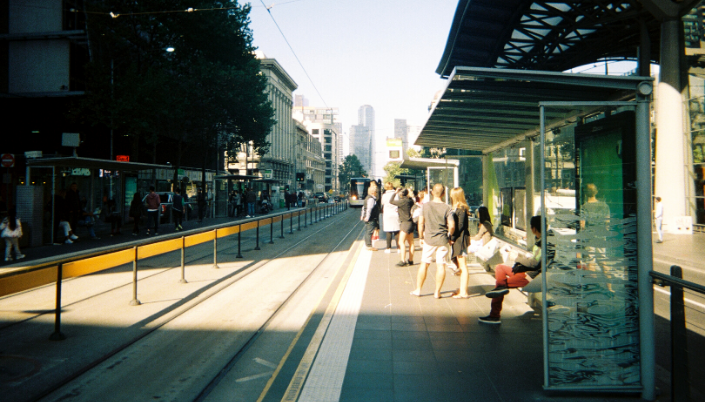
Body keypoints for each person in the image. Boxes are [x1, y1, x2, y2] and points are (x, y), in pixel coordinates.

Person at [480, 216, 549, 324]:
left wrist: (516, 258)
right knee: (500, 268)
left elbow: (534, 264)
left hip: (529, 275)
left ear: (533, 228)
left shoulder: (543, 243)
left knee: (499, 286)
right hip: (524, 270)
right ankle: (500, 291)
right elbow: (535, 259)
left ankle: (494, 315)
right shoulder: (541, 240)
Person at [410, 183, 455, 299]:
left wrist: (420, 237)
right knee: (441, 265)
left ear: (431, 192)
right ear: (444, 193)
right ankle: (437, 292)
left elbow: (420, 223)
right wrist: (450, 236)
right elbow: (452, 225)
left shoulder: (425, 206)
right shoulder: (447, 207)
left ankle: (418, 290)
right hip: (442, 240)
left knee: (424, 263)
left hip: (429, 239)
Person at [449, 187, 471, 298]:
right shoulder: (461, 208)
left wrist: (452, 237)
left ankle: (464, 292)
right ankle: (462, 290)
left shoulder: (460, 209)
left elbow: (460, 226)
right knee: (461, 265)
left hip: (460, 239)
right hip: (460, 238)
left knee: (463, 265)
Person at [390, 187, 415, 266]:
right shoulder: (410, 201)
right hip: (411, 222)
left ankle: (403, 260)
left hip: (405, 223)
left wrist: (395, 192)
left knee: (401, 242)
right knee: (411, 242)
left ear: (401, 194)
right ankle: (411, 260)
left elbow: (391, 201)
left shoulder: (401, 201)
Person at [361, 181, 380, 251]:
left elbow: (363, 207)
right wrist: (367, 217)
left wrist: (362, 215)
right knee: (369, 231)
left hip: (367, 217)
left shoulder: (367, 198)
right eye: (375, 192)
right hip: (371, 218)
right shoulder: (371, 199)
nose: (376, 193)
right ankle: (369, 245)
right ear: (373, 192)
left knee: (367, 231)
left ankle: (368, 244)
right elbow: (369, 208)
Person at [381, 182, 400, 253]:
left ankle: (388, 248)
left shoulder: (384, 195)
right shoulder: (396, 194)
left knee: (388, 231)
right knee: (396, 231)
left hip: (387, 214)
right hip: (395, 213)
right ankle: (399, 248)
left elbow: (382, 203)